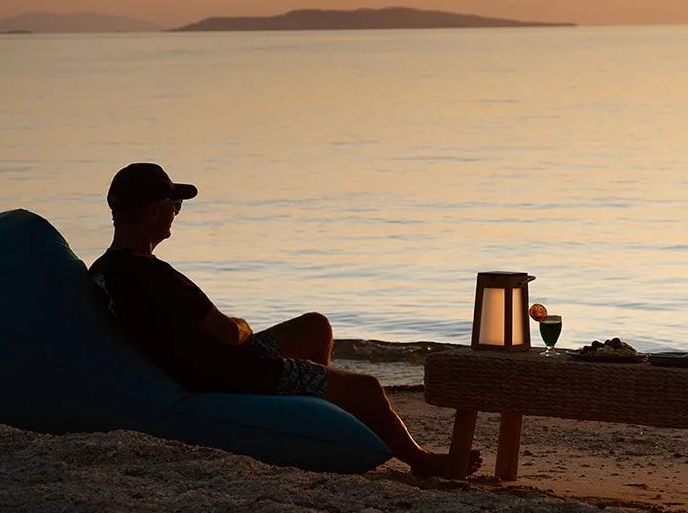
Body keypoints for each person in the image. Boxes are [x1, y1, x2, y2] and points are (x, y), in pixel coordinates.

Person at [89, 162, 480, 478]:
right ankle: (422, 461)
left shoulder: (104, 271)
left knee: (315, 327)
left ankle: (319, 405)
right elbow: (227, 333)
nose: (176, 214)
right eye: (175, 206)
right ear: (156, 210)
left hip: (204, 362)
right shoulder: (155, 277)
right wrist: (242, 325)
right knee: (368, 389)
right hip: (231, 371)